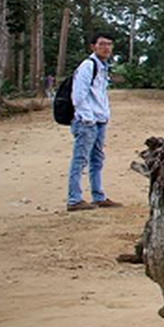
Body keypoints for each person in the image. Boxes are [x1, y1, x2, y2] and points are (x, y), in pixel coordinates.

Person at [65, 32, 122, 212]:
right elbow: (78, 95)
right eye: (102, 44)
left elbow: (99, 95)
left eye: (109, 44)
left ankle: (98, 196)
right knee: (80, 159)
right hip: (86, 122)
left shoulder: (103, 67)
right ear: (93, 46)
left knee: (97, 160)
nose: (106, 48)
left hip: (99, 120)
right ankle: (74, 199)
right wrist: (87, 118)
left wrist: (103, 116)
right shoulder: (88, 66)